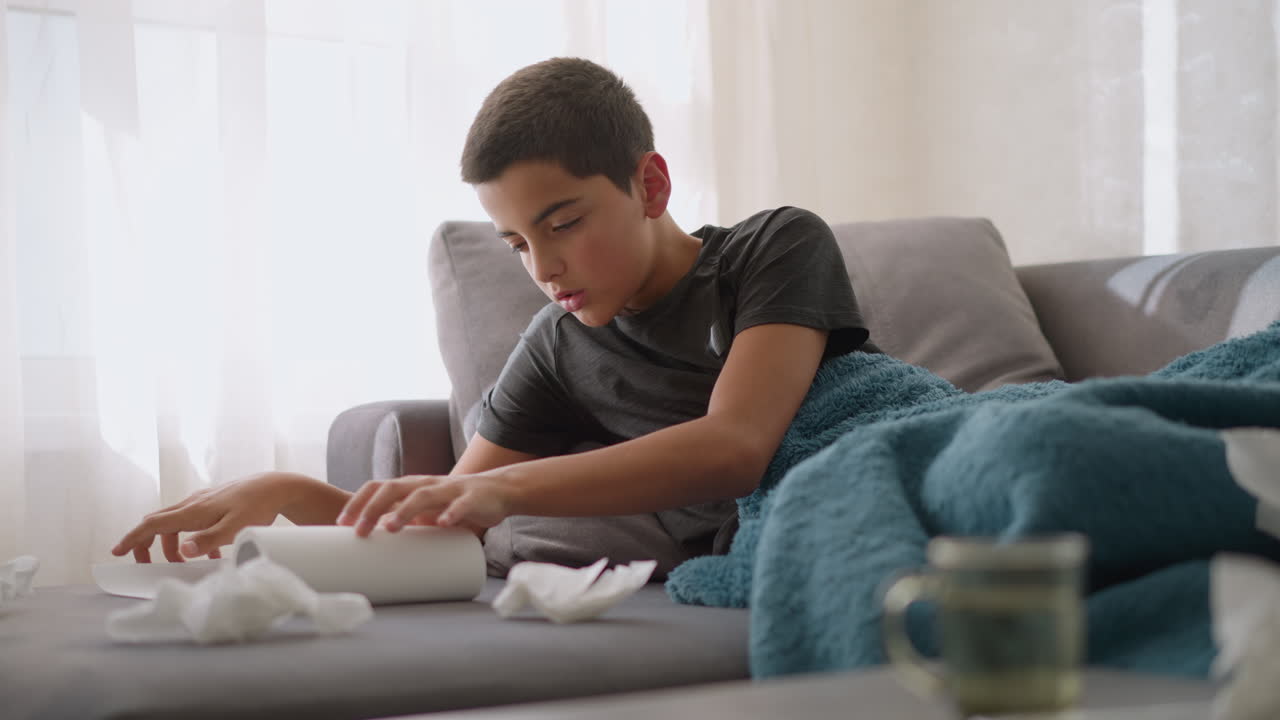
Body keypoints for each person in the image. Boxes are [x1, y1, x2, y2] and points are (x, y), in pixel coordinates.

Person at [111, 57, 876, 572]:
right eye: (516, 242)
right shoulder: (557, 346)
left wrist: (511, 490)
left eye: (563, 223)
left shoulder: (773, 246)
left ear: (650, 186)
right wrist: (276, 491)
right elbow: (436, 513)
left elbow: (736, 446)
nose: (542, 269)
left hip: (875, 459)